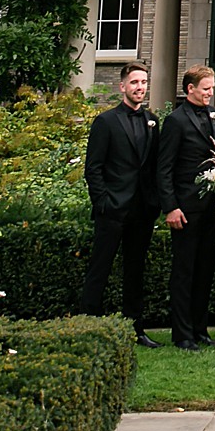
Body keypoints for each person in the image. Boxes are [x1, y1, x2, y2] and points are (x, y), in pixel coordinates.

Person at [81, 62, 162, 347]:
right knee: (99, 269)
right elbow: (94, 168)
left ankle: (135, 328)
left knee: (135, 271)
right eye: (134, 83)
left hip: (142, 211)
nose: (140, 87)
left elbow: (152, 167)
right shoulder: (106, 122)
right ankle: (89, 326)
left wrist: (154, 203)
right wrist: (103, 202)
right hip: (113, 209)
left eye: (143, 82)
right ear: (122, 87)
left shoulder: (153, 121)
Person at [155, 64, 215, 351]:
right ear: (190, 90)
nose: (210, 93)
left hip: (211, 205)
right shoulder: (175, 121)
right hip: (185, 207)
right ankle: (182, 333)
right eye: (206, 88)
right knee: (184, 271)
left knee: (205, 269)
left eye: (212, 88)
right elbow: (164, 168)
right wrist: (170, 207)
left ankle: (200, 329)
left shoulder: (214, 115)